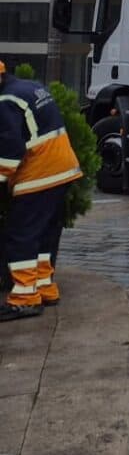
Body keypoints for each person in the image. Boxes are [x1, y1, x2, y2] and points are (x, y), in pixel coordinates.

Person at [0, 62, 82, 322]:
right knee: (45, 233)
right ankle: (45, 287)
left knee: (20, 234)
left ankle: (25, 298)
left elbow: (10, 148)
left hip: (39, 174)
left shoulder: (5, 101)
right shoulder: (30, 87)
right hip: (63, 169)